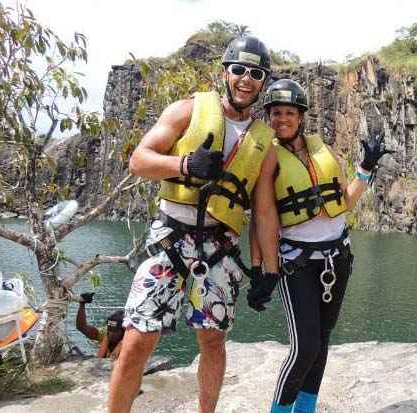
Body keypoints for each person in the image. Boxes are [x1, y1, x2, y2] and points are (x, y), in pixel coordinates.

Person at [108, 36, 280, 413]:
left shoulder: (264, 143)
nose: (246, 80)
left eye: (255, 73)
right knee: (137, 339)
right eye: (239, 70)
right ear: (225, 73)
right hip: (169, 238)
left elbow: (264, 213)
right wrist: (185, 165)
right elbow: (139, 160)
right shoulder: (187, 109)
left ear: (263, 82)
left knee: (213, 341)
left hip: (219, 249)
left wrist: (268, 270)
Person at [248, 79, 393, 413]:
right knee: (304, 349)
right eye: (275, 113)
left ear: (301, 117)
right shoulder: (268, 157)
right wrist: (262, 270)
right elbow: (263, 218)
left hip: (337, 258)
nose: (282, 119)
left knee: (322, 342)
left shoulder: (321, 150)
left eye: (289, 112)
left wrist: (366, 168)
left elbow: (344, 201)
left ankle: (306, 410)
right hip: (297, 262)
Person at [74, 292, 125, 359]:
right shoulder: (104, 334)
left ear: (123, 331)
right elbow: (82, 327)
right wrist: (82, 303)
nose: (111, 334)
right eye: (109, 329)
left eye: (115, 331)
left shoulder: (130, 341)